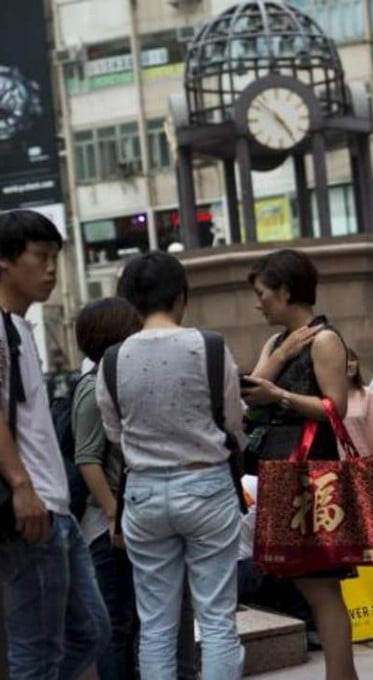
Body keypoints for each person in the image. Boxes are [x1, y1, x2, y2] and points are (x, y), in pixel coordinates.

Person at [95, 252, 243, 680]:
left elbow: (114, 434)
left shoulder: (112, 360)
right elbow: (233, 423)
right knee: (216, 618)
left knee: (156, 625)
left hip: (143, 493)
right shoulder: (210, 347)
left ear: (130, 302)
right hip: (206, 485)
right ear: (181, 296)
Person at [0, 210, 110, 679]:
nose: (50, 270)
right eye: (40, 257)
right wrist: (21, 485)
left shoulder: (19, 329)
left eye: (54, 258)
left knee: (90, 631)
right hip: (32, 509)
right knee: (38, 649)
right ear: (4, 261)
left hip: (55, 508)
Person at [242, 249, 356, 680]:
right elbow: (250, 394)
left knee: (322, 586)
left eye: (262, 293)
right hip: (281, 469)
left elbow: (336, 408)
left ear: (285, 291)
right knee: (311, 586)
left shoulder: (325, 340)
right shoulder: (276, 343)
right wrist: (278, 362)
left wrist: (281, 397)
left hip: (313, 472)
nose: (259, 303)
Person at [74, 297, 200, 680]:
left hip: (136, 515)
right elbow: (87, 458)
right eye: (133, 325)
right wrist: (115, 515)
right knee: (119, 622)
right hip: (110, 528)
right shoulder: (92, 387)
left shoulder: (120, 380)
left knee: (153, 616)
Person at [342, 348, 373, 457]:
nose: (350, 364)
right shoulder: (331, 398)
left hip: (366, 459)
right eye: (345, 360)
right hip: (339, 462)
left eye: (352, 360)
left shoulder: (368, 395)